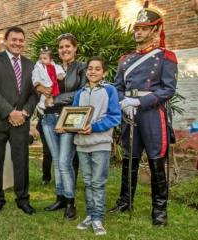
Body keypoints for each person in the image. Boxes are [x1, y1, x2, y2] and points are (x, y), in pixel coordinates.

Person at [110, 2, 177, 227]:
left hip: (151, 115)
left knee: (156, 160)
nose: (138, 32)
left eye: (143, 28)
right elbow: (117, 87)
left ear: (154, 31)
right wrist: (122, 102)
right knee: (130, 159)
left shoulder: (166, 57)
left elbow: (167, 89)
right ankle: (124, 201)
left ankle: (159, 210)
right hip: (130, 114)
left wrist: (139, 101)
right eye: (136, 28)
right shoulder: (125, 60)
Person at [0, 26, 38, 216]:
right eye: (14, 40)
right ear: (5, 40)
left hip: (21, 121)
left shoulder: (31, 65)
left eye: (21, 40)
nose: (18, 43)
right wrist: (9, 112)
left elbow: (34, 93)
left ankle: (22, 199)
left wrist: (24, 112)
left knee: (21, 162)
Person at [37, 33, 86, 220]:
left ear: (75, 48)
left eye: (68, 46)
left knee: (65, 161)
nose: (64, 50)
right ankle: (60, 198)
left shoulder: (81, 67)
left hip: (70, 117)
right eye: (61, 47)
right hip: (49, 117)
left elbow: (81, 92)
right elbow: (40, 85)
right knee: (57, 161)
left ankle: (70, 202)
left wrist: (56, 99)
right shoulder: (51, 68)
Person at [72, 57, 121, 235]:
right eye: (90, 68)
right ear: (86, 72)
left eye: (97, 69)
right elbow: (74, 116)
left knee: (97, 183)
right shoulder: (80, 92)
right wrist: (69, 126)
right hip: (82, 144)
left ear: (104, 72)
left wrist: (93, 127)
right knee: (87, 182)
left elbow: (115, 117)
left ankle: (98, 218)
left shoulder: (110, 90)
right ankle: (91, 215)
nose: (93, 71)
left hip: (100, 144)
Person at [32, 47, 65, 114]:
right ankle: (41, 104)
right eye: (40, 58)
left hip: (53, 83)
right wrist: (37, 82)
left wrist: (60, 75)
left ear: (51, 60)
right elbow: (35, 75)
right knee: (44, 94)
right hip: (44, 83)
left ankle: (45, 103)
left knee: (52, 94)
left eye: (45, 58)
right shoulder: (38, 67)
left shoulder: (55, 66)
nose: (42, 60)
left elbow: (59, 70)